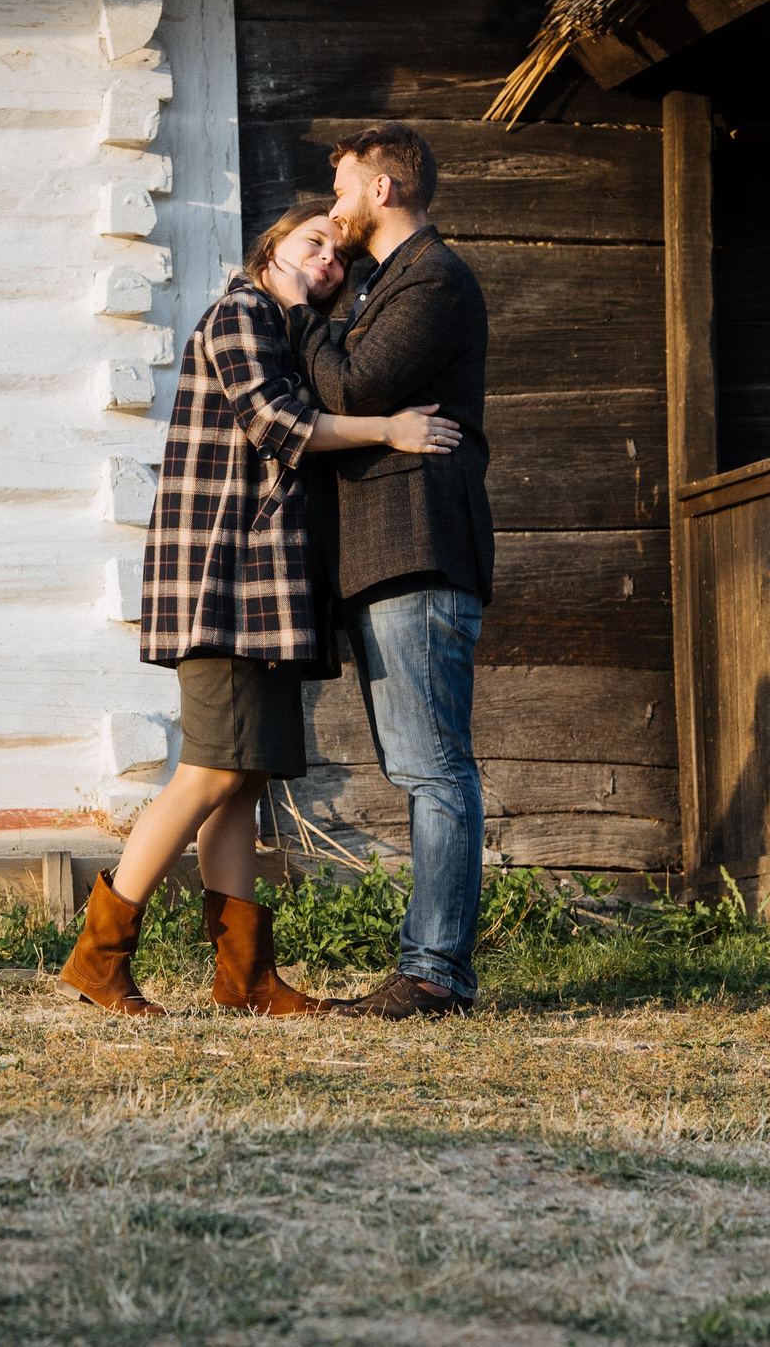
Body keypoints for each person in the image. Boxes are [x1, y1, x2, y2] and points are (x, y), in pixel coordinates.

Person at [58, 203, 462, 1017]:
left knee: (240, 782)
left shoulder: (283, 329)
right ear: (270, 249)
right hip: (225, 584)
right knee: (209, 769)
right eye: (314, 242)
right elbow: (274, 423)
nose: (329, 260)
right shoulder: (242, 309)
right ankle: (100, 955)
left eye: (340, 255)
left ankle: (243, 978)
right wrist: (390, 428)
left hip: (262, 596)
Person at [261, 121, 492, 1020]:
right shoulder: (391, 283)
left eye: (347, 187)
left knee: (433, 767)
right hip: (388, 555)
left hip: (419, 548)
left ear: (382, 191)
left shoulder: (434, 278)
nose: (338, 206)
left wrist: (296, 310)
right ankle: (435, 965)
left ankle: (435, 970)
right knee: (419, 763)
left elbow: (354, 388)